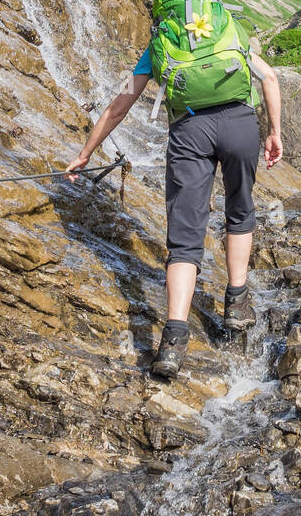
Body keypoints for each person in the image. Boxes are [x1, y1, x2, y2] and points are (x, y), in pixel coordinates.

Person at [66, 44, 283, 380]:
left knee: (185, 238)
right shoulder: (227, 28)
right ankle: (237, 303)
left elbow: (119, 106)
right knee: (239, 209)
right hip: (240, 126)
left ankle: (173, 340)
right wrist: (274, 133)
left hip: (190, 132)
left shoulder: (161, 44)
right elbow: (269, 76)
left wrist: (86, 152)